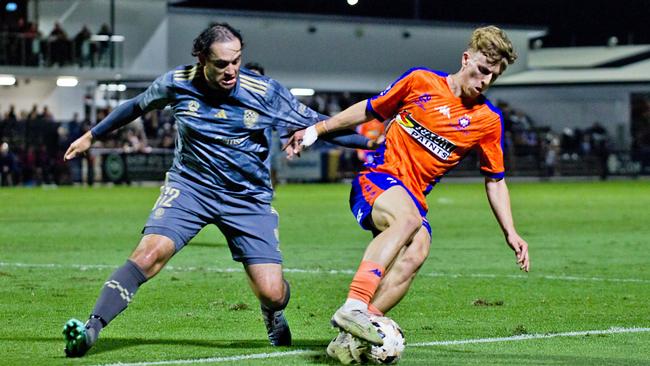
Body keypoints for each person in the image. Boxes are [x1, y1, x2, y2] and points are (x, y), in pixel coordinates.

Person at [61, 22, 376, 357]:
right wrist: (91, 136)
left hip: (247, 198)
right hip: (190, 188)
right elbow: (136, 106)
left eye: (236, 61)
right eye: (222, 64)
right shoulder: (177, 83)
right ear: (201, 60)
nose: (231, 71)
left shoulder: (264, 92)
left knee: (271, 292)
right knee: (148, 255)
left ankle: (273, 313)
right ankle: (91, 329)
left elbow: (321, 126)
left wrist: (373, 143)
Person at [291, 25, 531, 361]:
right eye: (482, 71)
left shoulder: (487, 120)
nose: (486, 81)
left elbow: (494, 179)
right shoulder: (420, 81)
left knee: (418, 249)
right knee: (407, 219)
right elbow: (371, 109)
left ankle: (353, 334)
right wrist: (317, 129)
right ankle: (355, 305)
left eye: (494, 76)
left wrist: (511, 231)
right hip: (377, 178)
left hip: (413, 196)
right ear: (466, 59)